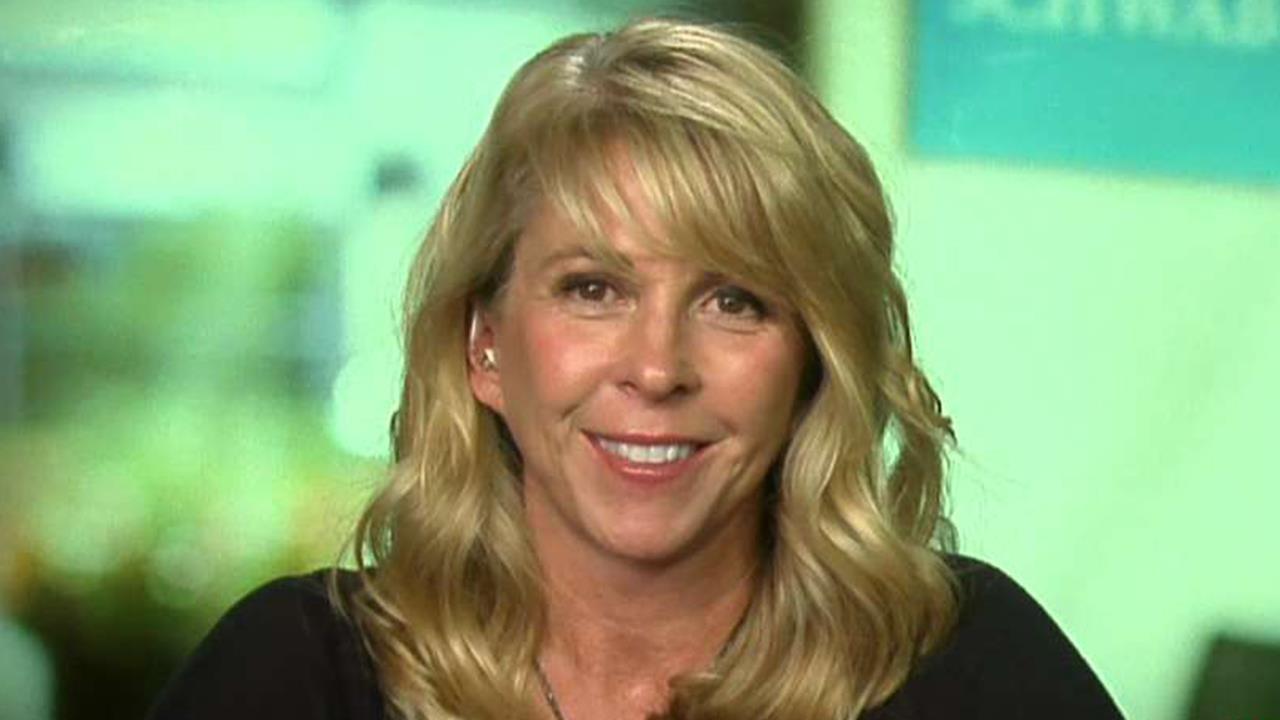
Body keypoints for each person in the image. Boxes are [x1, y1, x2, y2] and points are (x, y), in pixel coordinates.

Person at [149, 17, 1123, 720]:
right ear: (484, 346)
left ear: (811, 364)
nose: (656, 368)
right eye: (592, 289)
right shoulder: (296, 672)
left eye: (734, 300)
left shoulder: (965, 664)